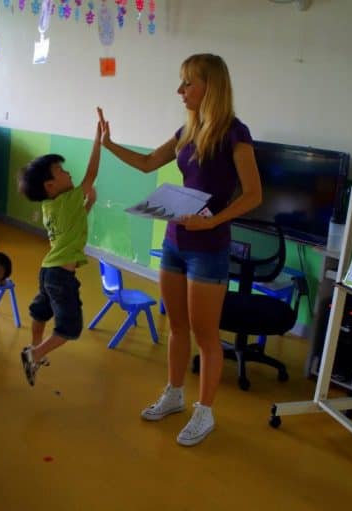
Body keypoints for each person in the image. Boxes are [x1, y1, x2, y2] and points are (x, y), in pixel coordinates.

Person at [98, 54, 262, 446]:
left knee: (207, 335)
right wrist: (109, 144)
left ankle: (204, 412)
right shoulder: (187, 131)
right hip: (175, 241)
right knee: (176, 326)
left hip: (208, 248)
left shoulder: (235, 134)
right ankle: (174, 394)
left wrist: (214, 220)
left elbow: (254, 195)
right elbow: (147, 162)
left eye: (188, 83)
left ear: (211, 87)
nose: (180, 90)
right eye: (182, 82)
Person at [16, 108, 103, 386]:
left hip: (48, 271)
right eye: (62, 171)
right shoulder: (65, 200)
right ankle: (36, 354)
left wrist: (88, 205)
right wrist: (98, 138)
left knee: (41, 311)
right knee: (69, 328)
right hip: (61, 277)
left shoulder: (50, 206)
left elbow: (72, 227)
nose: (69, 174)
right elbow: (92, 174)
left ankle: (34, 346)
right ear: (51, 185)